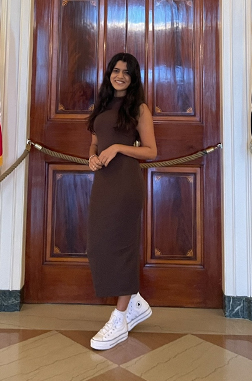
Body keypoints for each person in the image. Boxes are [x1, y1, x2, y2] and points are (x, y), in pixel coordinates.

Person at [86, 52, 157, 350]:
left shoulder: (139, 109)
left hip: (126, 185)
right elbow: (94, 140)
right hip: (102, 184)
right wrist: (91, 156)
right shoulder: (100, 105)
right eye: (116, 70)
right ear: (109, 74)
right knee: (99, 244)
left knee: (122, 246)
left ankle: (120, 316)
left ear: (133, 78)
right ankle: (136, 302)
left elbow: (151, 150)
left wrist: (118, 147)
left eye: (126, 72)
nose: (120, 76)